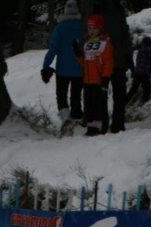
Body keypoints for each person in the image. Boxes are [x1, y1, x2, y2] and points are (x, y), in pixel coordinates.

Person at [41, 1, 86, 130]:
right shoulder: (83, 27)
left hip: (62, 70)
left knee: (61, 95)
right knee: (76, 95)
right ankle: (77, 118)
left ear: (65, 11)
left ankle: (66, 119)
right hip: (79, 69)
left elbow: (53, 49)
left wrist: (46, 65)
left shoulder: (60, 28)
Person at [95, 0, 132, 133]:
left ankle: (103, 124)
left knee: (101, 94)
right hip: (118, 59)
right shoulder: (119, 9)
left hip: (102, 60)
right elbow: (125, 33)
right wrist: (128, 54)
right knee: (119, 95)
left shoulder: (97, 8)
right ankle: (118, 124)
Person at [75, 14, 114, 137]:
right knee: (89, 105)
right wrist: (78, 54)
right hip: (88, 81)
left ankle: (100, 129)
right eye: (89, 28)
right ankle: (91, 128)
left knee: (99, 105)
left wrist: (105, 78)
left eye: (94, 28)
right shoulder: (87, 44)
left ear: (100, 28)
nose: (91, 31)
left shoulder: (105, 43)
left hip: (99, 80)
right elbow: (85, 62)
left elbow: (108, 63)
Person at [126, 36, 151, 105]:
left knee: (133, 89)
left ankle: (124, 102)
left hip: (137, 73)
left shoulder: (140, 51)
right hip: (145, 74)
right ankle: (143, 102)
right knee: (147, 89)